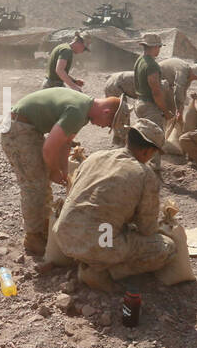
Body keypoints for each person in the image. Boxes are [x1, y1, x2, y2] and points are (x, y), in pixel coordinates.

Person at [49, 119, 181, 292]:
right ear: (148, 150)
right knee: (167, 248)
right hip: (99, 243)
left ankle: (88, 258)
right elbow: (147, 229)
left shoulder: (95, 157)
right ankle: (101, 271)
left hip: (64, 235)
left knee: (107, 229)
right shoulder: (145, 175)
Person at [0, 87, 120, 256]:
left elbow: (64, 143)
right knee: (34, 185)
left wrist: (64, 171)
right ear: (106, 112)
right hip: (18, 129)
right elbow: (49, 148)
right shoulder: (77, 112)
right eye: (107, 124)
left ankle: (43, 228)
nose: (102, 127)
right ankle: (33, 237)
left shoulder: (83, 109)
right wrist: (53, 170)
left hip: (26, 127)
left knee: (41, 182)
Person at [132, 32, 176, 171]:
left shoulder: (140, 60)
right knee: (155, 140)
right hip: (150, 107)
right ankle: (153, 171)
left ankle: (139, 167)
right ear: (154, 47)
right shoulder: (152, 65)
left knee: (143, 138)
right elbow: (156, 91)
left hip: (139, 103)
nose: (159, 49)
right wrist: (165, 111)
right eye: (159, 47)